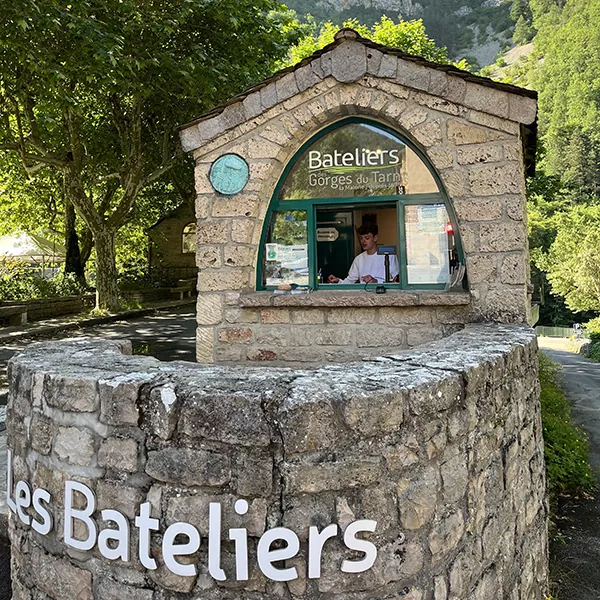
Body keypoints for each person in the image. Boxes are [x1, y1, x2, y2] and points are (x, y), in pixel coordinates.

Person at [328, 222, 399, 284]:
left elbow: (396, 280)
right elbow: (350, 281)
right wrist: (338, 281)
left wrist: (376, 281)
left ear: (375, 238)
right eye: (361, 238)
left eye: (367, 238)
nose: (363, 241)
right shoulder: (359, 259)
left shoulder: (389, 256)